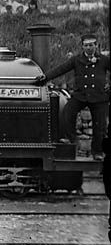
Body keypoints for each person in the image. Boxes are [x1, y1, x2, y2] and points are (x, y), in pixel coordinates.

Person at [36, 33, 110, 161]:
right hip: (80, 95)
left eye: (91, 45)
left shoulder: (103, 60)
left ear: (96, 46)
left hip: (99, 97)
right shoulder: (76, 60)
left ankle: (97, 152)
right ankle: (70, 141)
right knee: (67, 113)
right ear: (82, 47)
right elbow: (61, 69)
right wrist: (46, 77)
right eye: (86, 45)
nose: (89, 48)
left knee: (100, 126)